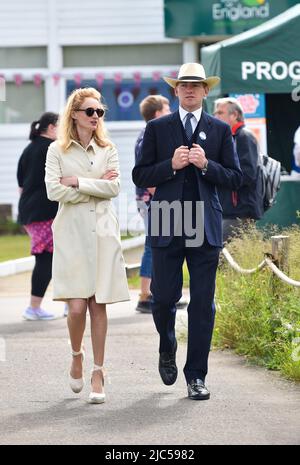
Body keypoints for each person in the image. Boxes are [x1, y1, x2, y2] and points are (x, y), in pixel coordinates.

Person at [132, 63, 242, 400]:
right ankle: (167, 345)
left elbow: (236, 178)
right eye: (184, 85)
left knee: (203, 304)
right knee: (164, 298)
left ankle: (197, 375)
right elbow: (140, 175)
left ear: (206, 91)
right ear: (175, 90)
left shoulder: (220, 130)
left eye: (196, 85)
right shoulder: (157, 128)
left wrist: (206, 165)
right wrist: (171, 166)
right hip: (167, 219)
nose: (190, 89)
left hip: (204, 222)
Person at [45, 87, 130, 404]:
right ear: (75, 115)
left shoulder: (108, 148)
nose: (96, 117)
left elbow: (115, 187)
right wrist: (97, 187)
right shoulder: (57, 150)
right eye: (90, 112)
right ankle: (76, 354)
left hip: (103, 232)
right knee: (76, 306)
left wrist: (79, 182)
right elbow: (54, 191)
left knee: (98, 304)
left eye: (100, 112)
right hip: (71, 232)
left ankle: (98, 370)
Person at [17, 112, 59, 321]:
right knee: (47, 259)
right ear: (51, 128)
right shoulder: (50, 149)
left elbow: (20, 186)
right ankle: (34, 307)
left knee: (55, 258)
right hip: (44, 212)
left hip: (30, 212)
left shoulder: (29, 149)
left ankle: (70, 303)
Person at [135, 95, 170, 312]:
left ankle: (159, 293)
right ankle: (145, 295)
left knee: (159, 244)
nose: (170, 112)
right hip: (152, 200)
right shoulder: (148, 136)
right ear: (157, 113)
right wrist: (162, 196)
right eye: (167, 108)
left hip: (154, 199)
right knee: (152, 245)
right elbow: (146, 173)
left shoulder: (155, 134)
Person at [213, 97, 263, 242]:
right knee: (226, 258)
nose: (216, 116)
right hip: (230, 210)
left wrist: (218, 172)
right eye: (215, 112)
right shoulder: (230, 137)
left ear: (234, 115)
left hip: (240, 211)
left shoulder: (243, 136)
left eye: (220, 112)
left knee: (220, 256)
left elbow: (248, 174)